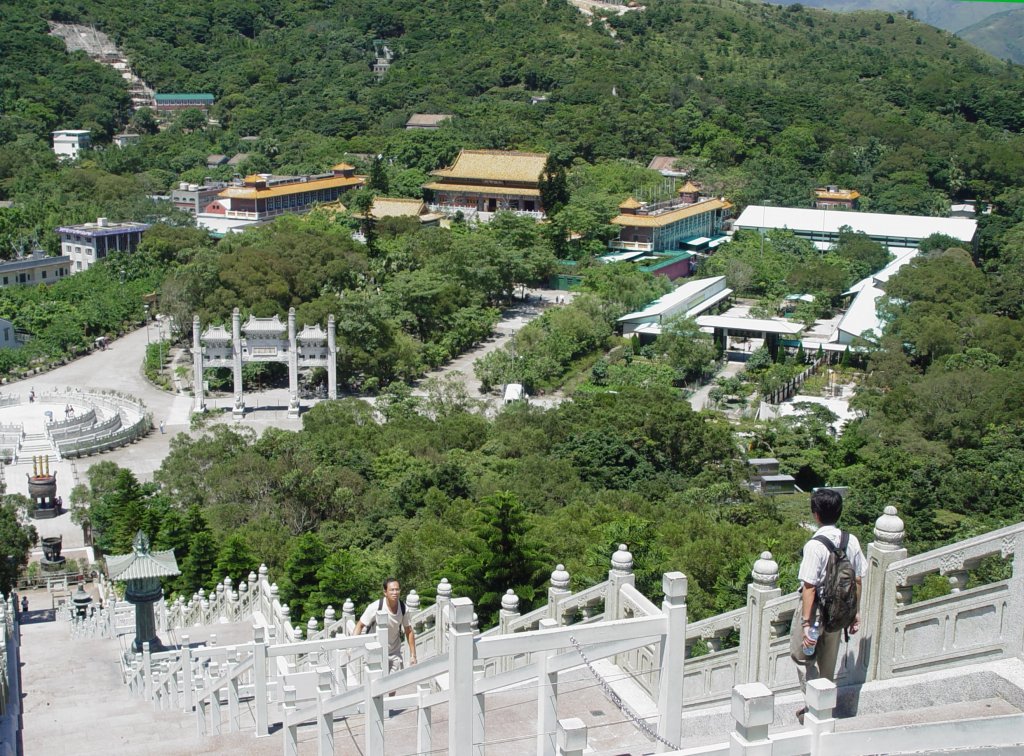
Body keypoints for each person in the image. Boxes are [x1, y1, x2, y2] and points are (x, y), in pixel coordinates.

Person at [790, 488, 866, 723]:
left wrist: (805, 623)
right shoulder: (850, 540)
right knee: (828, 662)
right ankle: (824, 706)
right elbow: (858, 579)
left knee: (802, 656)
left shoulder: (814, 546)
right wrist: (854, 613)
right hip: (839, 612)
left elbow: (809, 587)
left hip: (815, 614)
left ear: (816, 514)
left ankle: (814, 705)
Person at [354, 578, 417, 678]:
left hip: (394, 651)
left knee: (393, 683)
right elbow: (360, 625)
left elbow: (408, 631)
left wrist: (413, 655)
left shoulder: (404, 608)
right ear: (385, 592)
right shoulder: (375, 607)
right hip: (376, 651)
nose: (395, 592)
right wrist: (353, 646)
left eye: (397, 589)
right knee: (376, 684)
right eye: (392, 590)